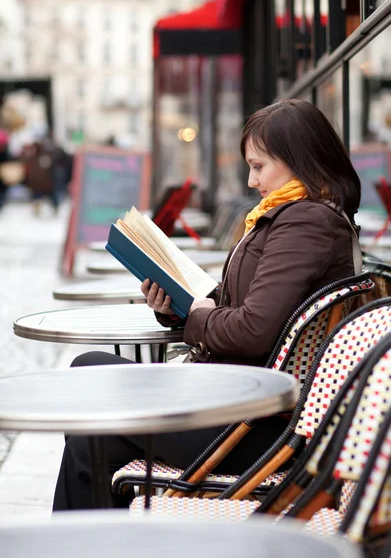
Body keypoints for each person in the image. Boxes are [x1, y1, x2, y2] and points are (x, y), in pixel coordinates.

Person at [52, 99, 361, 511]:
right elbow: (246, 305)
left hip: (257, 426)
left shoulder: (306, 222)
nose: (252, 181)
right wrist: (176, 305)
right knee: (89, 378)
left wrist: (197, 315)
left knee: (92, 413)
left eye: (259, 166)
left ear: (299, 161)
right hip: (242, 405)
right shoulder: (294, 216)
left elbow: (253, 330)